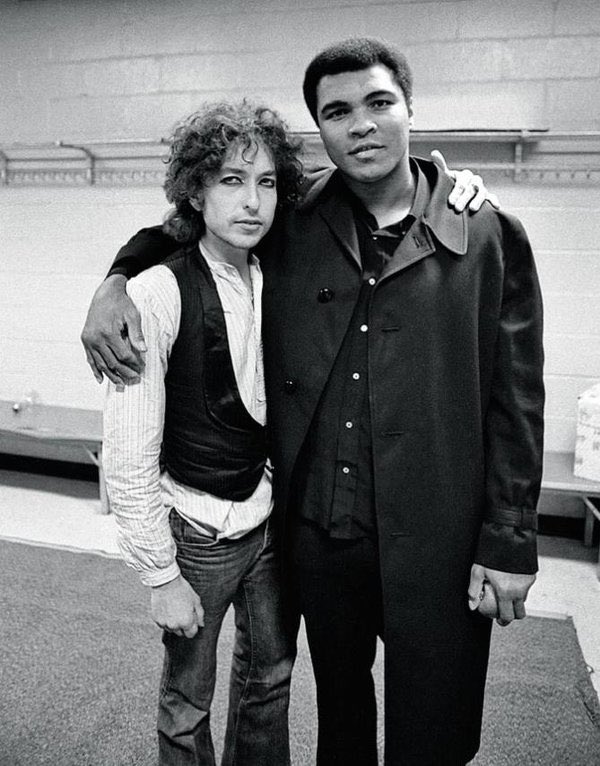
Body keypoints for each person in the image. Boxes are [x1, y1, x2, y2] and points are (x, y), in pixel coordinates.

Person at [82, 37, 543, 766]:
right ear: (319, 129)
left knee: (436, 725)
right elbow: (188, 228)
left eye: (379, 102)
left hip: (439, 535)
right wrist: (114, 282)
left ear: (410, 109)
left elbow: (517, 402)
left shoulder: (485, 231)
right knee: (340, 716)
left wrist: (509, 538)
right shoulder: (293, 219)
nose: (361, 124)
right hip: (323, 536)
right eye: (337, 112)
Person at [102, 101, 304, 766]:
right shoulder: (157, 293)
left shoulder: (278, 272)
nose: (252, 201)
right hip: (195, 531)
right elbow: (128, 454)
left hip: (269, 523)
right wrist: (160, 576)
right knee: (188, 702)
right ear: (195, 190)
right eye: (232, 180)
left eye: (266, 182)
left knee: (271, 679)